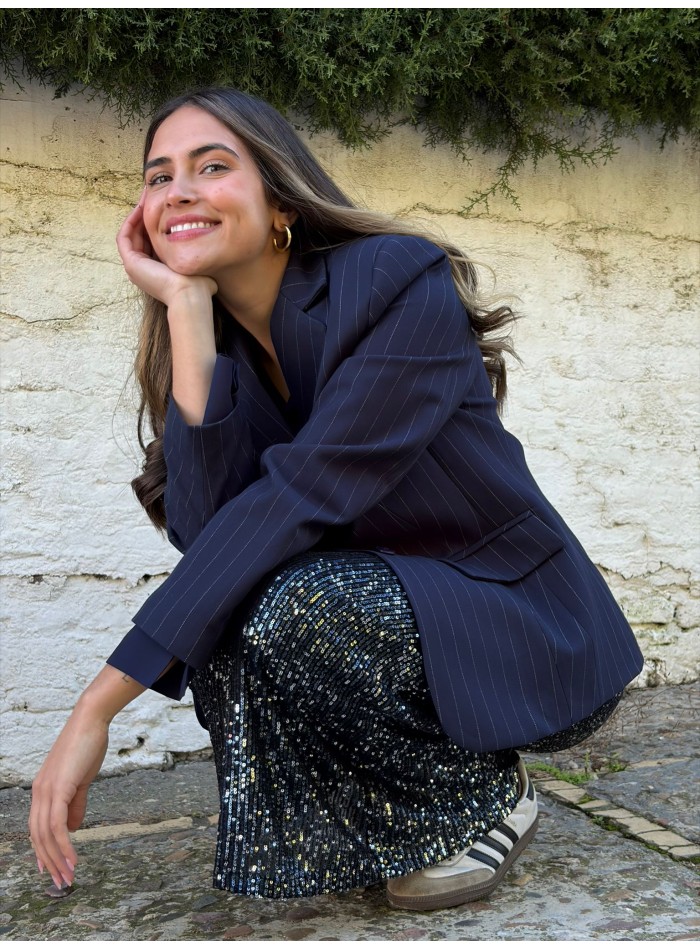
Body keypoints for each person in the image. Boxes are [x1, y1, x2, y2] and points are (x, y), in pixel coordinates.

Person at [29, 87, 643, 911]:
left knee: (298, 608)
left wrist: (97, 705)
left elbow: (305, 492)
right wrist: (186, 312)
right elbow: (212, 541)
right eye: (158, 176)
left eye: (212, 167)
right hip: (380, 616)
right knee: (236, 616)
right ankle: (407, 811)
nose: (178, 191)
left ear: (281, 200)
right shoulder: (213, 346)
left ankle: (484, 798)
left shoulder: (395, 279)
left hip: (515, 632)